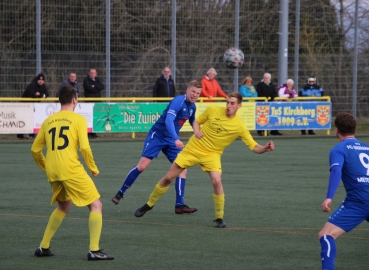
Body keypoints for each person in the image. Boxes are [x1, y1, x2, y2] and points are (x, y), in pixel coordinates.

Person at [134, 92, 275, 228]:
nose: (228, 106)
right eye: (227, 102)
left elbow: (254, 147)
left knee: (217, 181)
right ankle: (148, 205)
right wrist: (196, 130)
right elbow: (196, 121)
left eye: (232, 103)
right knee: (169, 177)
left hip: (212, 155)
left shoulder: (239, 126)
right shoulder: (213, 109)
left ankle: (219, 218)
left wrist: (265, 148)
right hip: (193, 148)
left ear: (239, 106)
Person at [31, 85, 114, 261]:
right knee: (96, 205)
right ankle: (94, 250)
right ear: (74, 100)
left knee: (63, 206)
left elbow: (35, 150)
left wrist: (47, 166)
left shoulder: (48, 121)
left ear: (60, 100)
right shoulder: (78, 120)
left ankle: (43, 246)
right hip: (70, 169)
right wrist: (93, 167)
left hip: (53, 171)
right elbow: (84, 147)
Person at [111, 80, 203, 214]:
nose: (195, 95)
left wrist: (197, 131)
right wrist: (176, 139)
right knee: (142, 166)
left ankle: (179, 205)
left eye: (198, 93)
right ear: (187, 90)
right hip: (158, 136)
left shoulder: (192, 107)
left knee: (182, 169)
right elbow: (168, 120)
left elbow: (193, 120)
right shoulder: (178, 101)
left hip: (171, 140)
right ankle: (120, 192)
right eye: (193, 91)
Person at [318, 112, 369, 270]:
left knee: (326, 235)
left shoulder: (339, 149)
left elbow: (336, 171)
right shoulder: (367, 148)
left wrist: (329, 197)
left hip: (358, 202)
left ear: (337, 129)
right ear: (354, 129)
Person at [17, 73, 49, 140]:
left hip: (33, 105)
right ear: (37, 80)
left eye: (42, 80)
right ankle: (22, 135)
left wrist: (40, 94)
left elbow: (47, 94)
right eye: (39, 80)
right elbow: (31, 94)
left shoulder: (43, 86)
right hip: (25, 105)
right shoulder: (32, 85)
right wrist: (41, 95)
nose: (41, 81)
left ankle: (30, 134)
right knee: (25, 120)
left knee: (31, 119)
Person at [83, 68, 104, 139]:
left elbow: (102, 87)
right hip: (89, 103)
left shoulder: (97, 80)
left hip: (97, 102)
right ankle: (89, 133)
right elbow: (89, 89)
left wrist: (94, 86)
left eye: (94, 73)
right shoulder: (86, 80)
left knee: (96, 118)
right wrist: (96, 88)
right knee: (89, 118)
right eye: (91, 73)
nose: (92, 74)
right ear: (89, 73)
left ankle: (94, 133)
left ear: (96, 74)